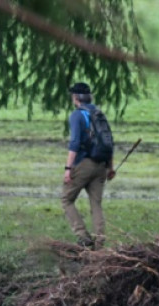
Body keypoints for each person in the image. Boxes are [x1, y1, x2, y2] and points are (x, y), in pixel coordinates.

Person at [62, 82, 115, 249]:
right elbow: (109, 141)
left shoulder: (77, 115)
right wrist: (110, 167)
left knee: (66, 199)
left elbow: (75, 143)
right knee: (96, 205)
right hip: (101, 165)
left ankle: (83, 237)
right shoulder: (98, 113)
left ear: (76, 98)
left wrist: (68, 168)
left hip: (84, 164)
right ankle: (99, 244)